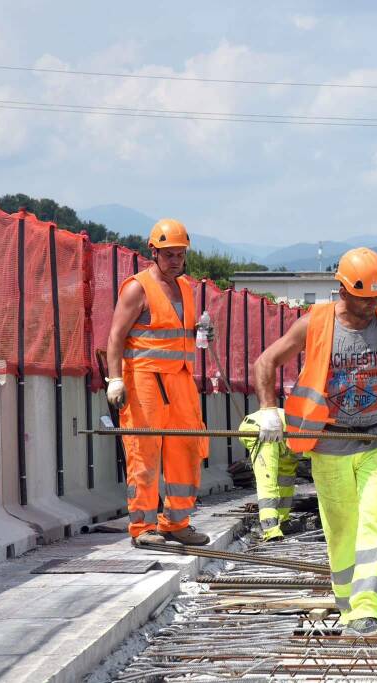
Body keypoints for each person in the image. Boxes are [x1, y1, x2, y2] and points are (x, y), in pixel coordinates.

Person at [251, 247, 377, 639]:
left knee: (376, 520)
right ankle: (348, 610)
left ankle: (367, 612)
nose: (372, 306)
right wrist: (267, 410)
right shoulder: (314, 323)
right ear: (342, 290)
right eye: (364, 298)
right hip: (328, 443)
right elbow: (265, 363)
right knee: (342, 530)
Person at [105, 219, 210, 547]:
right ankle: (143, 528)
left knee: (186, 449)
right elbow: (115, 337)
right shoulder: (137, 287)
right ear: (153, 253)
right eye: (169, 254)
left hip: (181, 381)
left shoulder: (186, 289)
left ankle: (177, 522)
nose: (175, 260)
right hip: (144, 383)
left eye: (180, 254)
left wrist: (204, 334)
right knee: (145, 453)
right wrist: (115, 379)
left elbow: (181, 334)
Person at [238, 408, 300, 542]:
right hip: (264, 427)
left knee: (286, 478)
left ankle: (283, 520)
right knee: (268, 478)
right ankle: (270, 529)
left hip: (284, 437)